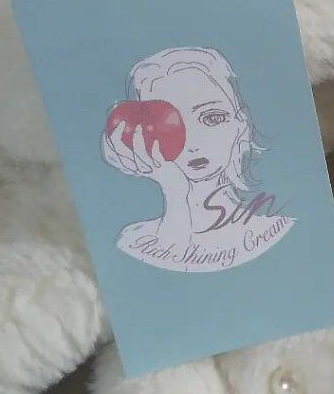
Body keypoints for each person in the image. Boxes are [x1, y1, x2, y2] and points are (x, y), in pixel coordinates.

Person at [102, 46, 293, 272]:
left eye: (212, 118)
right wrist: (175, 193)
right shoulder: (133, 242)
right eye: (168, 124)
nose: (193, 142)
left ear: (241, 125)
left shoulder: (278, 229)